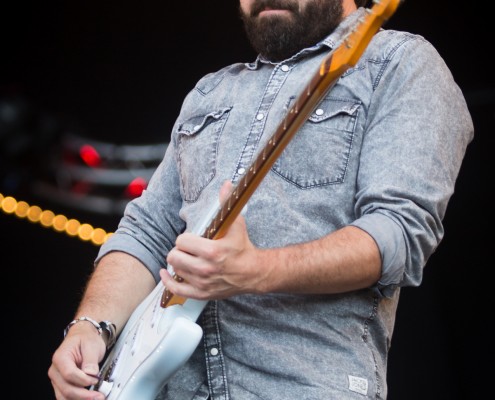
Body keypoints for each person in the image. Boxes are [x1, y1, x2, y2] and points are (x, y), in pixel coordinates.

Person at [48, 0, 474, 399]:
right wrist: (90, 327)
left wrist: (256, 271)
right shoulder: (208, 93)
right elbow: (145, 233)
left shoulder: (398, 62)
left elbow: (399, 234)